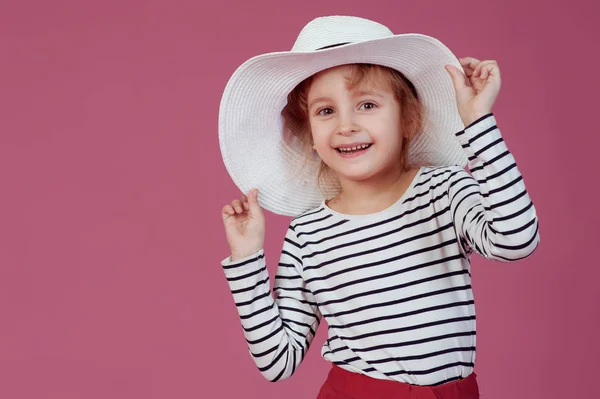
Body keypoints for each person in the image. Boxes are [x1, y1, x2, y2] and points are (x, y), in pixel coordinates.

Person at [217, 15, 540, 399]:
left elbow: (516, 240)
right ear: (311, 139)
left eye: (367, 104)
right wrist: (247, 259)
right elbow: (277, 360)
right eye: (325, 111)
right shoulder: (307, 235)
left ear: (407, 119)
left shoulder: (445, 191)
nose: (346, 125)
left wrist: (477, 122)